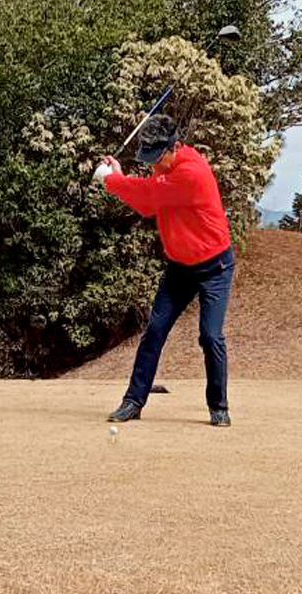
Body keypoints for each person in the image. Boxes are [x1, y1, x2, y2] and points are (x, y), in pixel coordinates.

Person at [94, 114, 235, 426]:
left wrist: (111, 180)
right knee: (154, 332)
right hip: (178, 269)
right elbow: (149, 193)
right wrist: (119, 174)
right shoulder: (164, 165)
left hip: (215, 267)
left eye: (157, 157)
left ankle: (219, 407)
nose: (153, 164)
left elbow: (147, 198)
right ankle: (133, 401)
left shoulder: (191, 174)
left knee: (210, 336)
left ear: (173, 147)